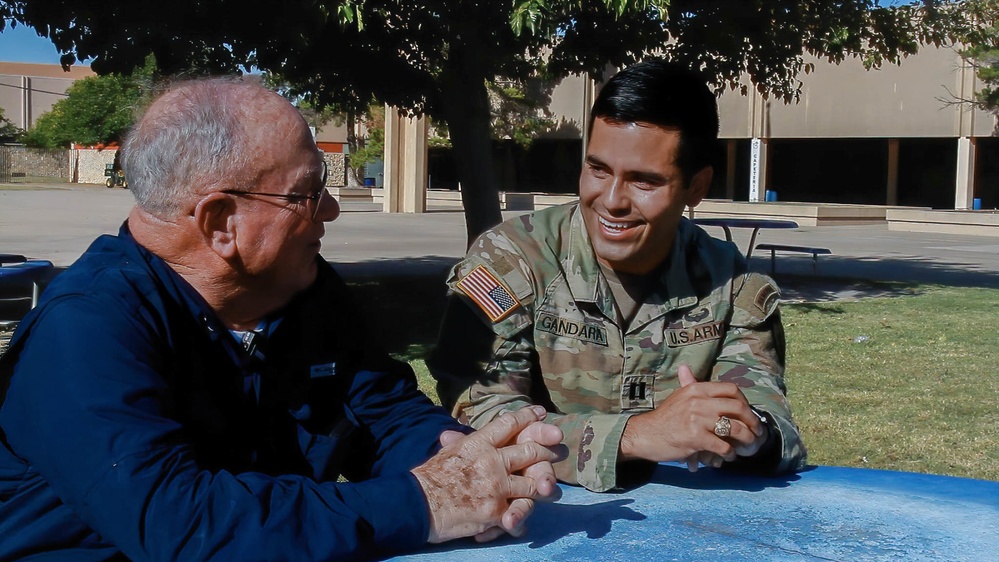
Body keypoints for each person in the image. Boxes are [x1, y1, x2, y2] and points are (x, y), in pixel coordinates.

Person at [0, 78, 564, 560]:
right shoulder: (85, 330)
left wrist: (473, 459)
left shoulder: (301, 289)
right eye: (308, 193)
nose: (332, 210)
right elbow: (185, 526)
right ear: (221, 222)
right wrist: (421, 504)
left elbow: (382, 411)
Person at [430, 60, 807, 493]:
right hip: (544, 512)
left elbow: (771, 419)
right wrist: (637, 436)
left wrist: (743, 432)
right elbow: (480, 406)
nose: (610, 201)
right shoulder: (514, 260)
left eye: (644, 182)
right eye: (598, 169)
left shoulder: (729, 282)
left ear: (697, 187)